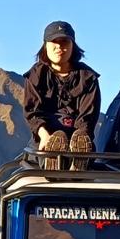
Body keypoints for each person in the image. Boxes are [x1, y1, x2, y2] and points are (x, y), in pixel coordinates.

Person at [22, 21, 101, 171]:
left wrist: (81, 136)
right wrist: (44, 136)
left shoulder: (88, 77)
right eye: (54, 42)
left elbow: (88, 116)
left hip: (77, 136)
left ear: (73, 45)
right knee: (45, 147)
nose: (59, 47)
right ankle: (52, 161)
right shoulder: (35, 75)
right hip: (46, 136)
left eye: (64, 41)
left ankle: (78, 159)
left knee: (81, 143)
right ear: (45, 46)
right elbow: (33, 112)